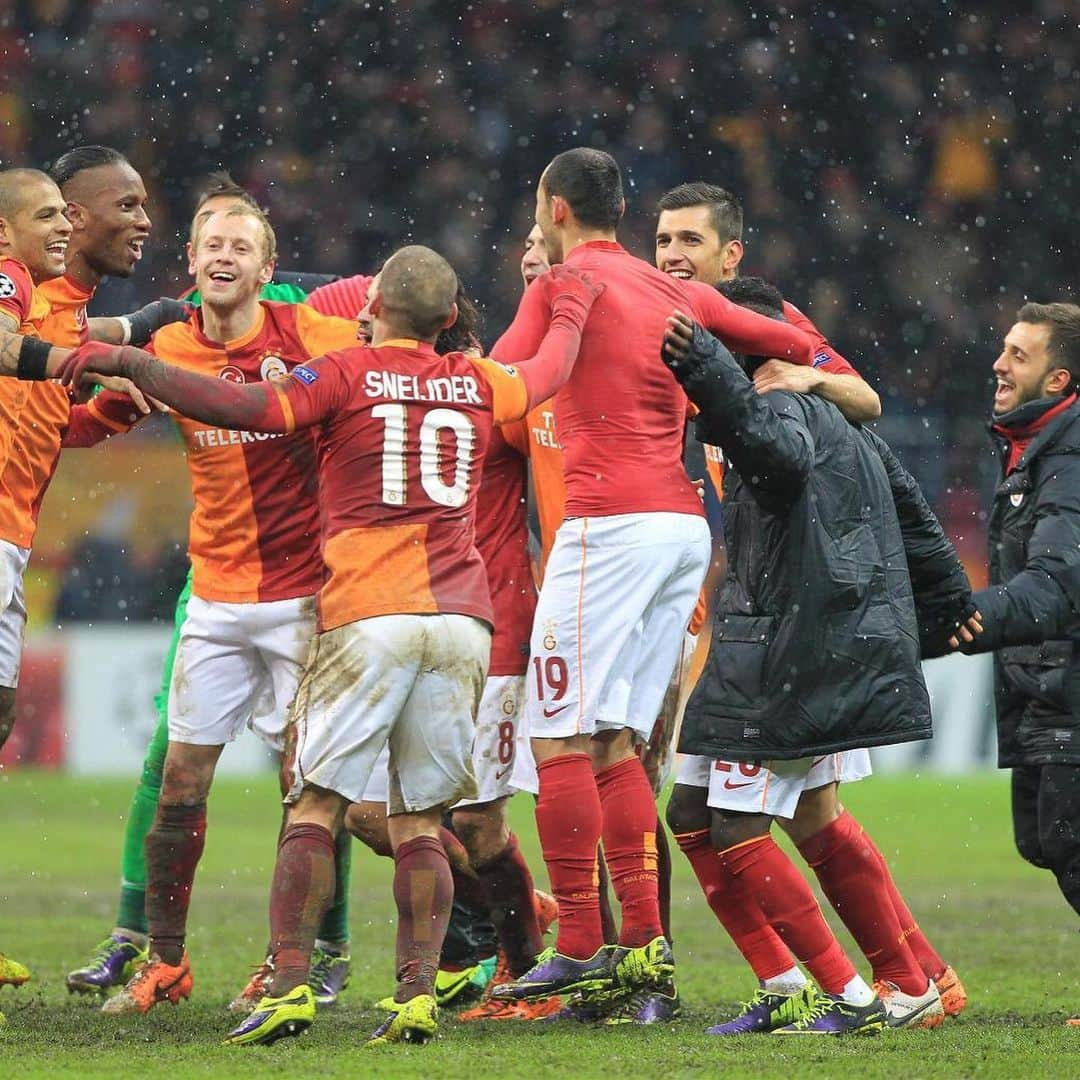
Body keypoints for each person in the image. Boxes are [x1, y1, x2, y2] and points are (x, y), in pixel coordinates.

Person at [58, 244, 603, 1046]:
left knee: (315, 803)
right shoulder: (480, 380)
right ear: (452, 320)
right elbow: (550, 369)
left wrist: (129, 360)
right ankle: (417, 990)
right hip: (462, 622)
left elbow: (244, 409)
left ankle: (288, 981)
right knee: (420, 819)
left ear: (372, 304)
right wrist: (572, 304)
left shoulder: (345, 371)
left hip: (369, 612)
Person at [488, 148, 816, 1008]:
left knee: (554, 733)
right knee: (613, 742)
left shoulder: (564, 284)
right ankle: (642, 945)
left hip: (606, 527)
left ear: (555, 210)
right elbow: (785, 339)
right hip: (681, 527)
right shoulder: (673, 289)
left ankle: (580, 942)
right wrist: (802, 371)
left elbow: (503, 384)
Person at [655, 182, 968, 1021]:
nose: (673, 257)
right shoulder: (726, 355)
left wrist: (742, 377)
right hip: (784, 622)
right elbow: (876, 463)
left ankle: (862, 991)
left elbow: (820, 428)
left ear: (733, 259)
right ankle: (908, 978)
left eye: (690, 240)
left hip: (793, 637)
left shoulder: (770, 362)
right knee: (743, 809)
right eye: (662, 242)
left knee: (740, 823)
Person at [60, 203, 361, 1018]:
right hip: (218, 598)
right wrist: (50, 426)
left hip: (306, 598)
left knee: (315, 789)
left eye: (242, 246)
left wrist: (450, 335)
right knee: (182, 779)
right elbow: (96, 421)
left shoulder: (314, 335)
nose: (224, 256)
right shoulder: (165, 348)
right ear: (190, 260)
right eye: (212, 244)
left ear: (269, 269)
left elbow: (394, 321)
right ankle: (164, 962)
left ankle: (305, 960)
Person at [955, 303, 1080, 958]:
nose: (999, 365)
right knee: (1041, 841)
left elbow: (1057, 584)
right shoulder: (1031, 447)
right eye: (1003, 348)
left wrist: (968, 620)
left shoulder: (1069, 459)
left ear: (1057, 380)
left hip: (1069, 678)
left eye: (1018, 355)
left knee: (1066, 840)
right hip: (1042, 676)